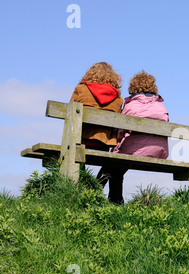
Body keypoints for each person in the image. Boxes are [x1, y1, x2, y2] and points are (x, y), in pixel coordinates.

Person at [100, 70, 169, 204]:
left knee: (113, 166)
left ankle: (107, 198)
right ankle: (112, 200)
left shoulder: (131, 106)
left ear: (133, 87)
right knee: (115, 167)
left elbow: (120, 132)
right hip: (159, 152)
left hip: (137, 151)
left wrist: (116, 147)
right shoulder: (161, 107)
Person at [69, 62, 123, 150]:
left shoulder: (80, 89)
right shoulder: (118, 99)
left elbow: (69, 113)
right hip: (104, 144)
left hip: (80, 140)